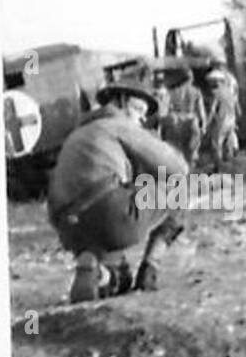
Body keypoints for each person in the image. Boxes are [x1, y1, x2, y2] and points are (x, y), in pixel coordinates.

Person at [46, 78, 188, 302]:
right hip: (107, 215)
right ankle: (150, 270)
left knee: (121, 280)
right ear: (120, 103)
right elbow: (177, 168)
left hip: (68, 228)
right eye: (138, 109)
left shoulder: (79, 132)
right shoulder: (118, 123)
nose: (142, 118)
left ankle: (97, 271)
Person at [160, 66, 207, 168]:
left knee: (176, 150)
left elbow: (163, 110)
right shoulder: (196, 91)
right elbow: (201, 111)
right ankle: (189, 173)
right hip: (191, 121)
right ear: (190, 79)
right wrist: (203, 126)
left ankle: (178, 173)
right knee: (191, 152)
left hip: (175, 121)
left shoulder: (171, 92)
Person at [204, 67, 240, 166]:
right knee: (230, 141)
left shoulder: (216, 93)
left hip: (222, 120)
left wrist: (207, 122)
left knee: (217, 143)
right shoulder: (229, 92)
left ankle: (218, 165)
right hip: (231, 119)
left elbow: (212, 109)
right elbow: (235, 104)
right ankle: (232, 160)